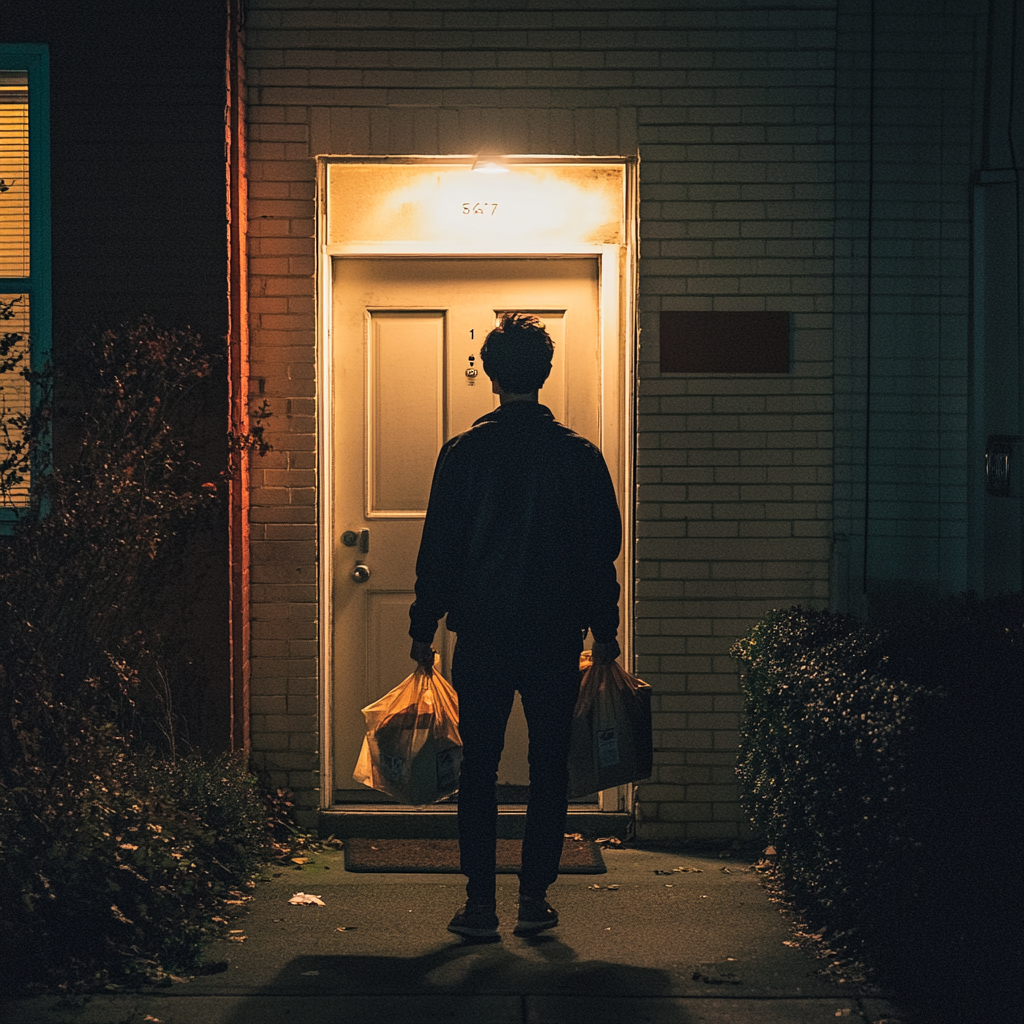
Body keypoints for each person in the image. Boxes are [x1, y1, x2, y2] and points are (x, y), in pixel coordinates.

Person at [408, 312, 622, 940]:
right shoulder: (579, 456)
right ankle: (534, 898)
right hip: (554, 636)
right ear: (546, 372)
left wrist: (425, 625)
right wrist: (603, 629)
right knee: (549, 763)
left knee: (479, 766)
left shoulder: (464, 454)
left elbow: (439, 549)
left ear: (493, 377)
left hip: (483, 634)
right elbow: (596, 555)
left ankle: (479, 903)